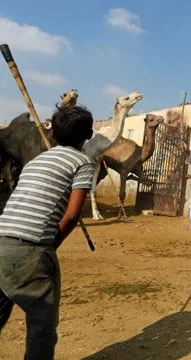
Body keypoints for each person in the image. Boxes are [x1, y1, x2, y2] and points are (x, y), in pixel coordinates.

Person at [0, 106, 95, 359]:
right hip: (31, 251)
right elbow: (72, 214)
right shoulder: (84, 163)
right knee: (42, 327)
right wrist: (52, 244)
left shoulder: (34, 162)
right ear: (89, 135)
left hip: (1, 239)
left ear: (54, 134)